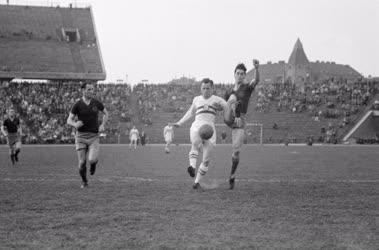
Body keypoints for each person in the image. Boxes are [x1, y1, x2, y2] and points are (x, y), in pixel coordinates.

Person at [171, 78, 227, 190]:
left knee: (206, 160)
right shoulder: (196, 99)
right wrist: (180, 123)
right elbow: (190, 113)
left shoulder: (217, 100)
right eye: (203, 88)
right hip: (197, 127)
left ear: (212, 89)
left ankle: (196, 182)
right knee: (195, 144)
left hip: (210, 130)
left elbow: (227, 107)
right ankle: (192, 167)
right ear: (201, 89)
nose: (205, 90)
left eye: (208, 88)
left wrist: (226, 107)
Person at [224, 60, 260, 189]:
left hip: (240, 121)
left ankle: (232, 175)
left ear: (245, 76)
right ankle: (236, 113)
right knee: (232, 98)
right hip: (230, 118)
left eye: (242, 74)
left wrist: (256, 68)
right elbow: (225, 106)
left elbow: (255, 81)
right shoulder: (228, 91)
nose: (240, 75)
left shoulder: (247, 88)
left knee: (236, 152)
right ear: (234, 74)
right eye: (238, 73)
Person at [67, 82, 108, 188]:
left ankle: (94, 164)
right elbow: (68, 120)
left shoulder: (96, 103)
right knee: (81, 163)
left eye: (92, 89)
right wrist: (75, 124)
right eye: (89, 89)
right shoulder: (77, 104)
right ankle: (84, 181)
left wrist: (103, 124)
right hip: (80, 136)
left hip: (94, 137)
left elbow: (106, 113)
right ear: (83, 90)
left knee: (92, 160)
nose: (91, 91)